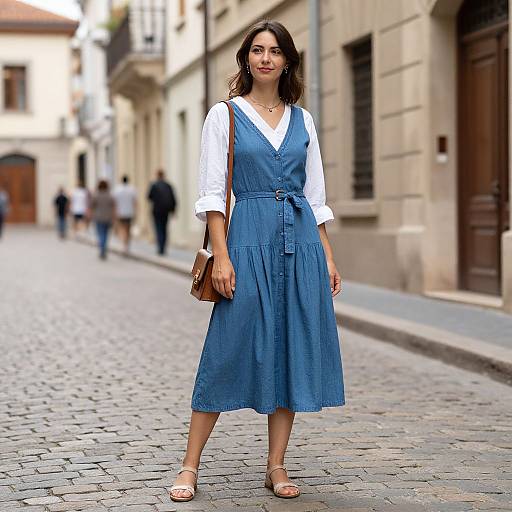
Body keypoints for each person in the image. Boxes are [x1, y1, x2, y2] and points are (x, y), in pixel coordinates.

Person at [169, 20, 345, 503]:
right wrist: (221, 256)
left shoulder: (303, 120)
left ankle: (276, 465)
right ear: (246, 58)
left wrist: (326, 256)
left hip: (300, 243)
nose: (266, 58)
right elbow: (211, 194)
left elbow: (315, 196)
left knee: (289, 349)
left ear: (288, 60)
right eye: (258, 50)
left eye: (275, 51)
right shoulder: (223, 116)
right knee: (225, 348)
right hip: (246, 242)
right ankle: (189, 466)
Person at [147, 170, 176, 255]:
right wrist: (173, 210)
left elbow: (149, 197)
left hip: (156, 210)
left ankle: (160, 248)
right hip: (166, 211)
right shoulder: (168, 186)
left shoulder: (154, 185)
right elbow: (173, 199)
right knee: (164, 228)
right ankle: (163, 247)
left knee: (158, 228)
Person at [90, 180, 115, 260]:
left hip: (98, 217)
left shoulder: (96, 195)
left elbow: (91, 206)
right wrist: (114, 217)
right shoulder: (110, 195)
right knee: (106, 235)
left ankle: (102, 250)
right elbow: (114, 207)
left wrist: (90, 215)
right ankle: (103, 249)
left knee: (101, 234)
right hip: (108, 217)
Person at [113, 175, 137, 253]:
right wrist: (135, 212)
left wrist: (115, 212)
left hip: (120, 212)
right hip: (129, 212)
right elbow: (135, 202)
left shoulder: (117, 190)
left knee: (122, 228)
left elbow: (115, 202)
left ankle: (124, 244)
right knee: (128, 229)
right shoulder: (132, 189)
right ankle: (126, 244)